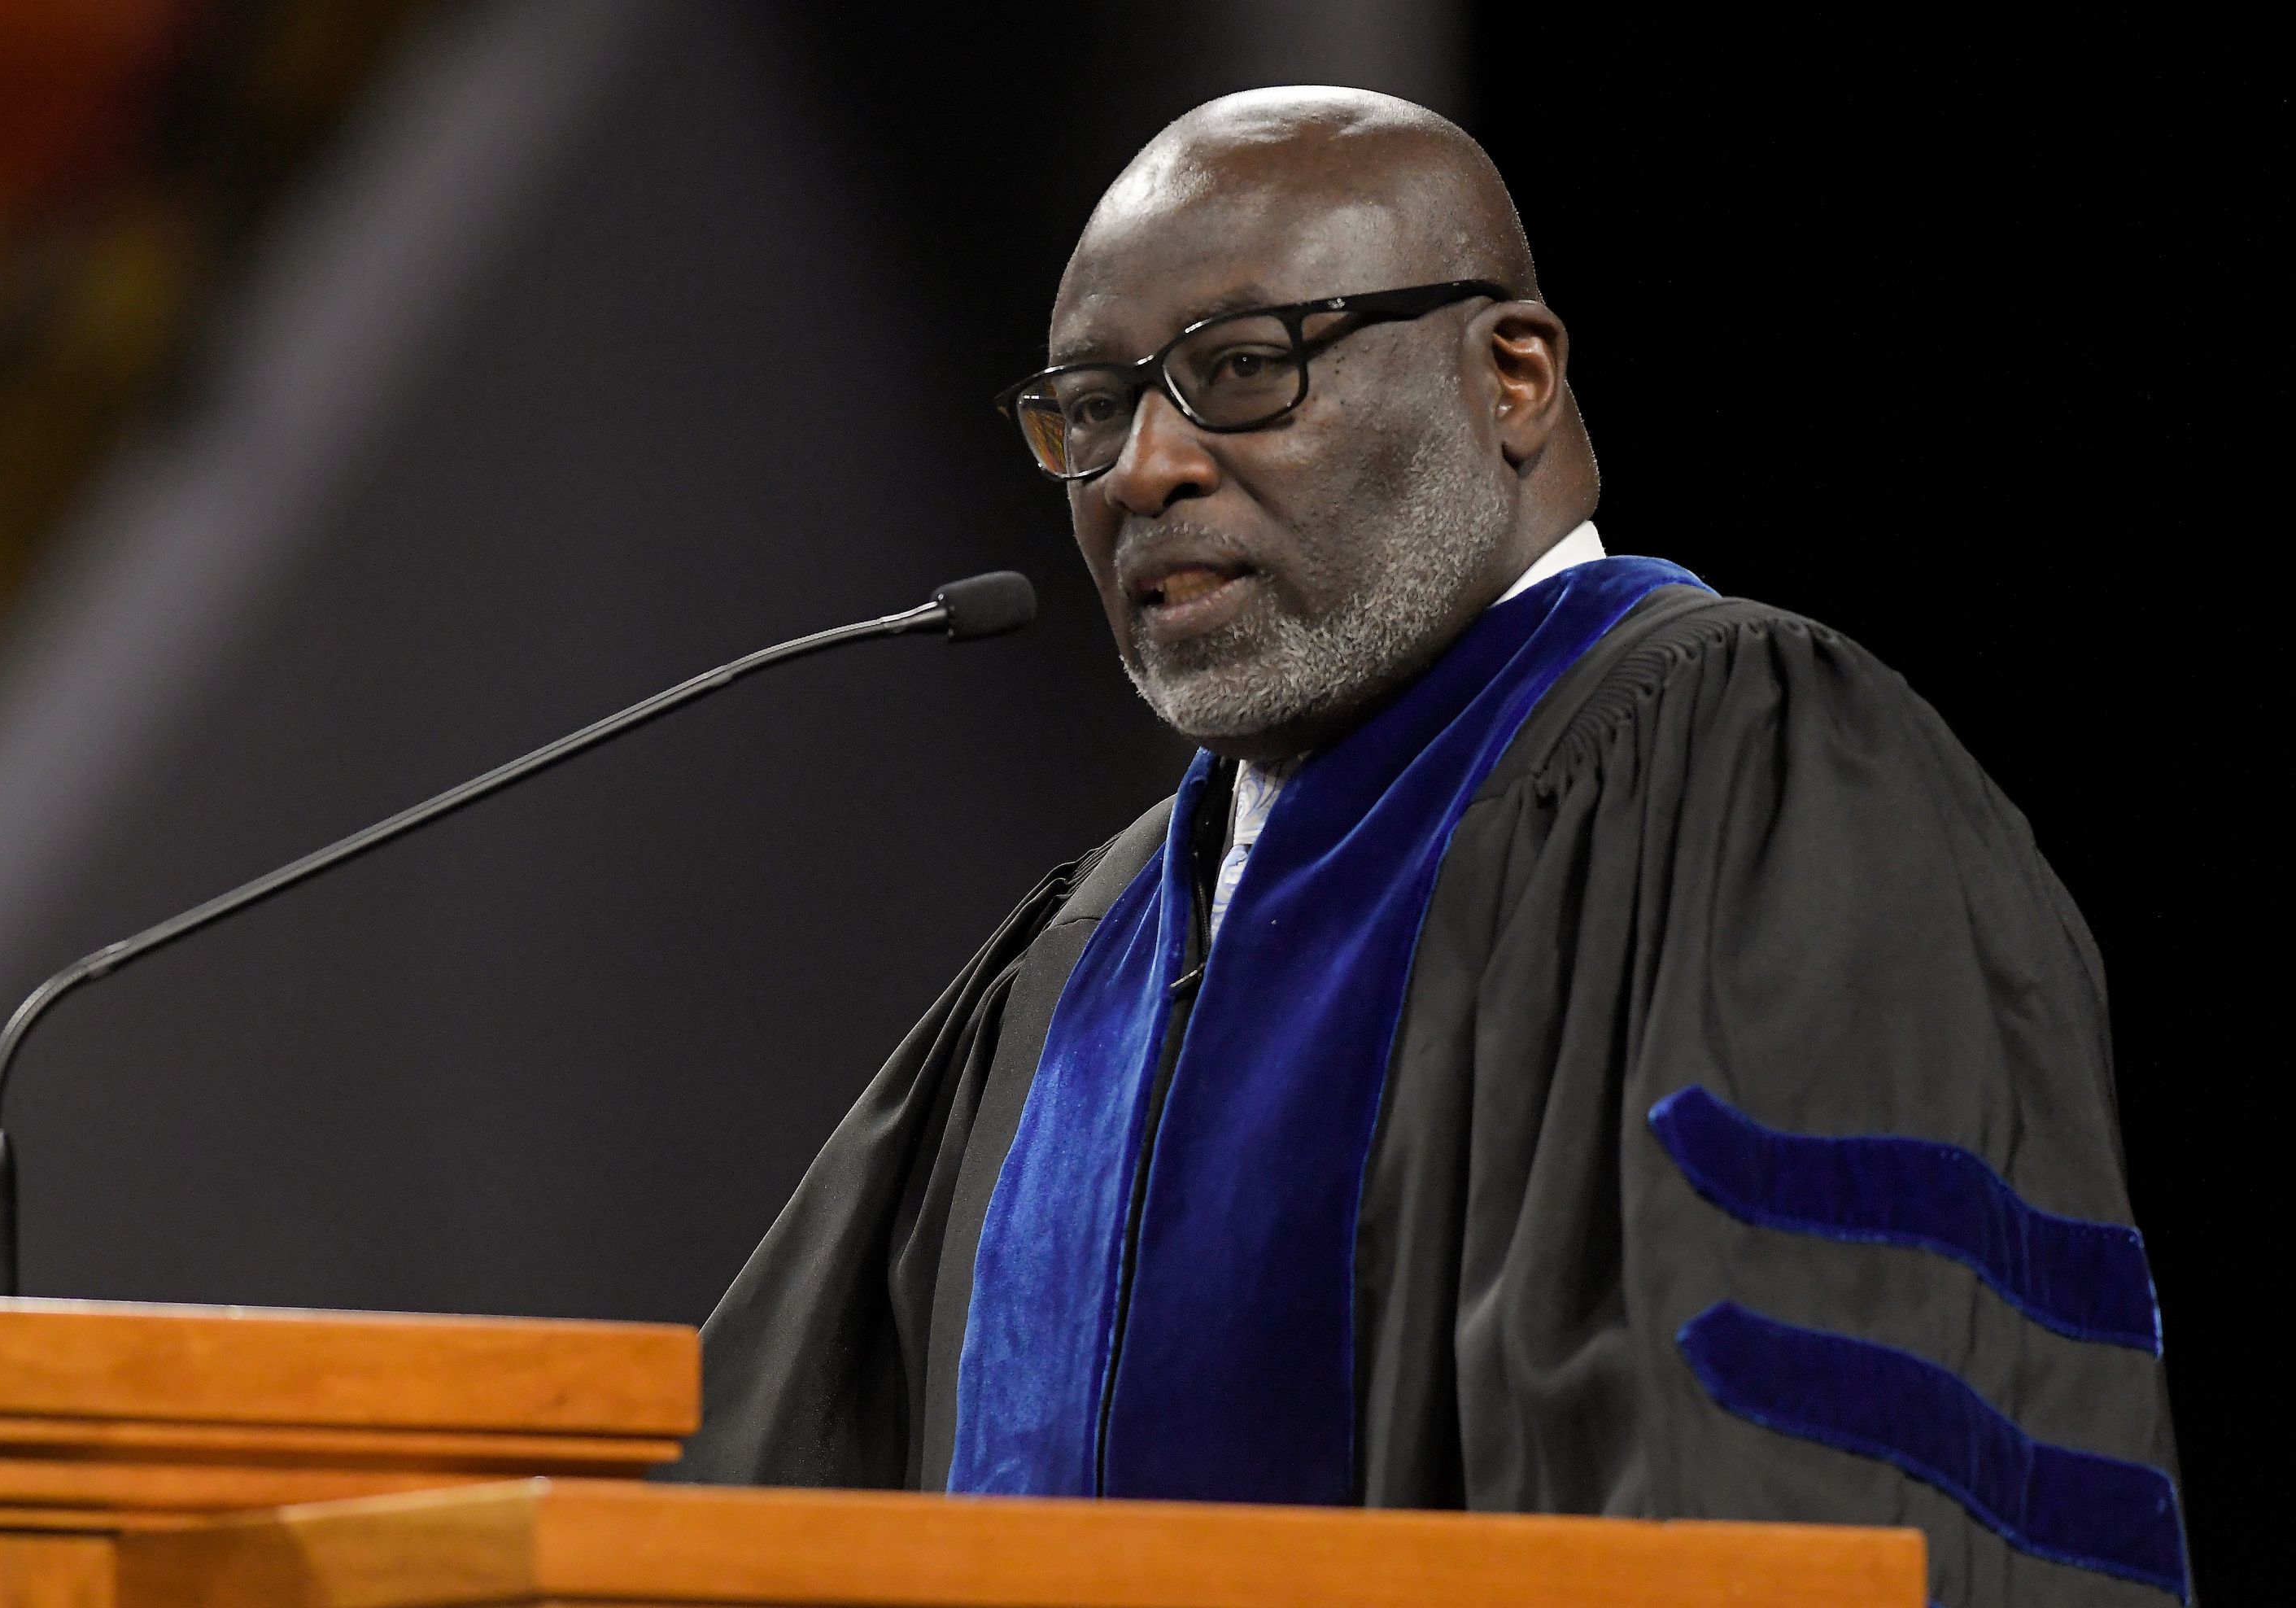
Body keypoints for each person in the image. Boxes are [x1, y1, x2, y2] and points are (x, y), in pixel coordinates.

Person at [670, 88, 2188, 1606]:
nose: (1141, 470)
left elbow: (1812, 1467)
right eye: (1090, 406)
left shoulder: (1749, 776)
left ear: (1513, 378)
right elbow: (736, 1492)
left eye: (1242, 371)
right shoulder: (1087, 956)